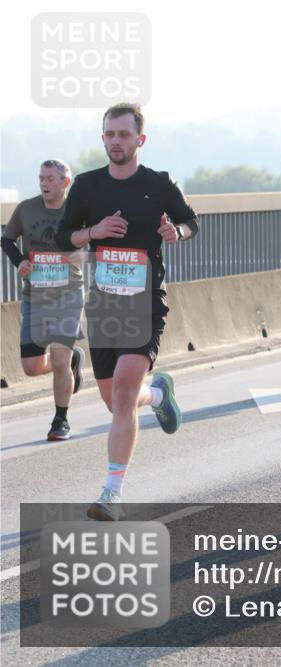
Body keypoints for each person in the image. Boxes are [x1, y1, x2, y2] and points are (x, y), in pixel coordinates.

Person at [56, 103, 198, 521]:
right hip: (103, 303)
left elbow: (191, 220)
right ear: (103, 139)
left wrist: (178, 231)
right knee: (114, 399)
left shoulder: (158, 183)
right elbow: (65, 237)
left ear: (140, 139)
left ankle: (111, 493)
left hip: (145, 301)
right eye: (109, 134)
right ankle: (156, 394)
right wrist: (93, 232)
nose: (115, 141)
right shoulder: (86, 186)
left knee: (120, 393)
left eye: (123, 134)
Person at [2, 159, 85, 440]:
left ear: (65, 182)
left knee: (59, 360)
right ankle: (74, 359)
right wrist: (20, 261)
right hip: (34, 296)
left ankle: (60, 420)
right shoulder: (26, 208)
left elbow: (96, 242)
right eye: (41, 178)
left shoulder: (77, 212)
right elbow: (6, 239)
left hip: (69, 293)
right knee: (31, 367)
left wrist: (82, 255)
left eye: (50, 178)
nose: (44, 183)